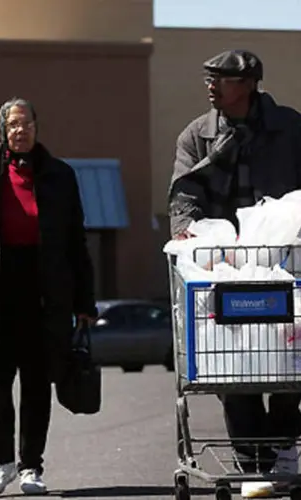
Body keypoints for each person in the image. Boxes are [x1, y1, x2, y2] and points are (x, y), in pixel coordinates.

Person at [0, 97, 97, 498]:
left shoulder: (60, 176)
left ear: (36, 128)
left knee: (38, 385)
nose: (20, 131)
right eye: (12, 125)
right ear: (2, 131)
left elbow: (77, 244)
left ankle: (31, 467)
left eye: (26, 124)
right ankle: (1, 463)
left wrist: (85, 303)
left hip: (44, 296)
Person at [168, 49, 301, 499]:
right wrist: (187, 232)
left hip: (283, 264)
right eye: (208, 78)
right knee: (232, 370)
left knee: (288, 366)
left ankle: (281, 450)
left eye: (220, 79)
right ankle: (253, 463)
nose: (210, 86)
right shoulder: (198, 136)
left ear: (247, 84)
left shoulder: (290, 129)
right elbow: (184, 191)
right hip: (223, 270)